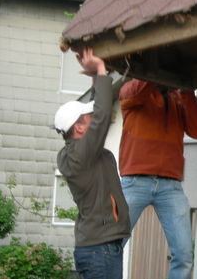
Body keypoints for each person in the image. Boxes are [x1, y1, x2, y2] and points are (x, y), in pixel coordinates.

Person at [117, 78, 197, 279]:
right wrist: (152, 73)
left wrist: (187, 91)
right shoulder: (132, 88)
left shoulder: (179, 97)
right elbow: (134, 92)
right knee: (111, 247)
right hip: (134, 181)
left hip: (171, 185)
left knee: (184, 255)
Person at [55, 47, 130, 279]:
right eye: (86, 119)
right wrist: (100, 70)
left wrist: (99, 80)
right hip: (101, 251)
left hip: (96, 248)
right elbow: (101, 116)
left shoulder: (75, 153)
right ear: (78, 128)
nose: (93, 119)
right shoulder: (80, 154)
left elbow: (98, 112)